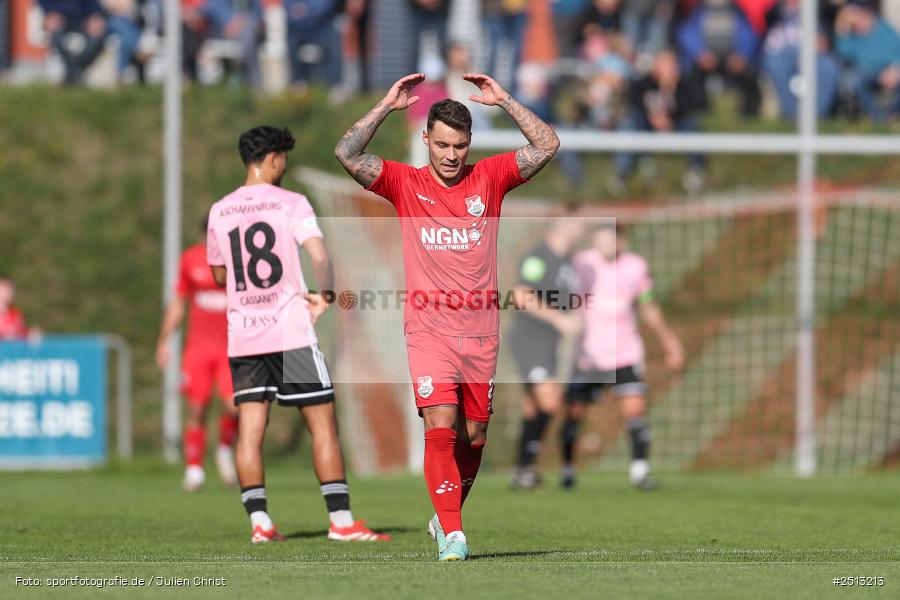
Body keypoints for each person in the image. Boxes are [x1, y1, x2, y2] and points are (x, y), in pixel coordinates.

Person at [334, 72, 560, 560]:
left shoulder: (491, 177)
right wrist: (384, 105)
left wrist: (506, 101)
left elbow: (547, 144)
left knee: (474, 434)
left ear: (470, 143)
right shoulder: (404, 183)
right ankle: (454, 535)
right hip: (428, 328)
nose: (451, 155)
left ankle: (445, 514)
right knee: (441, 419)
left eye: (459, 145)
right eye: (442, 145)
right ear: (426, 140)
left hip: (481, 332)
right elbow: (347, 154)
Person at [207, 126, 389, 544]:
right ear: (272, 158)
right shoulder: (291, 203)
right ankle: (341, 522)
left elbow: (220, 275)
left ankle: (260, 525)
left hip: (245, 337)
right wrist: (324, 295)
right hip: (290, 333)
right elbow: (320, 255)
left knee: (251, 429)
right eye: (283, 158)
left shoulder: (220, 210)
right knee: (323, 424)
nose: (284, 165)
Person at [561, 223, 684, 491]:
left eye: (609, 240)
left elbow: (648, 306)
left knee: (635, 410)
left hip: (625, 352)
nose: (604, 245)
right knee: (574, 413)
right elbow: (563, 299)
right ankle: (568, 469)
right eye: (599, 240)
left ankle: (640, 472)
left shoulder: (635, 266)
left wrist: (669, 341)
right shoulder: (581, 263)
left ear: (621, 242)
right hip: (588, 356)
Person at [156, 218, 239, 492]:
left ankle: (224, 450)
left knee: (234, 406)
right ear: (203, 234)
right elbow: (179, 302)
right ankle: (194, 469)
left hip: (232, 348)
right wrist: (164, 340)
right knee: (197, 407)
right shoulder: (190, 260)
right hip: (199, 349)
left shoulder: (238, 260)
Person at [507, 215, 584, 490]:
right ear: (563, 224)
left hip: (549, 343)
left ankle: (523, 470)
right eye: (578, 221)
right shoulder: (538, 257)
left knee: (534, 407)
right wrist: (559, 320)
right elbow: (520, 295)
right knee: (550, 400)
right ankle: (524, 469)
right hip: (529, 339)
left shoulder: (568, 262)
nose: (582, 227)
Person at [613, 49, 707, 195]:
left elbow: (695, 106)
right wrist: (654, 115)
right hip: (647, 126)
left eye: (671, 63)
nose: (668, 67)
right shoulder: (643, 83)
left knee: (692, 124)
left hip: (675, 126)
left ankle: (695, 171)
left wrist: (669, 89)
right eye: (664, 63)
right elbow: (633, 104)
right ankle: (622, 172)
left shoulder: (684, 85)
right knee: (629, 122)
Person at [834, 0, 900, 122]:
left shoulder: (886, 30)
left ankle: (893, 115)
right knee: (854, 81)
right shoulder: (851, 35)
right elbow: (842, 52)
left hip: (889, 69)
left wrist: (895, 70)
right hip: (864, 72)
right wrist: (843, 28)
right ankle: (878, 117)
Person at [38, 0, 108, 85]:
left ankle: (72, 73)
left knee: (97, 38)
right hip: (59, 21)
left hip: (83, 22)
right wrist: (49, 13)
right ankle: (76, 74)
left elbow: (94, 6)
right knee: (55, 35)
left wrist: (94, 17)